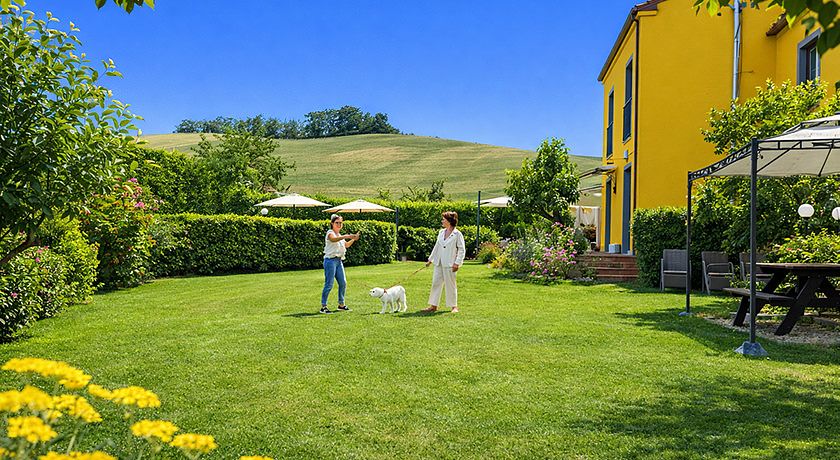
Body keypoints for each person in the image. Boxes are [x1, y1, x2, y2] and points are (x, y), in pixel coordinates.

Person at [422, 211, 466, 313]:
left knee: (450, 285)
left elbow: (462, 249)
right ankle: (433, 306)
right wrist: (430, 260)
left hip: (450, 264)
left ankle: (454, 306)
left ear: (449, 221)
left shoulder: (457, 234)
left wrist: (457, 263)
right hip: (439, 263)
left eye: (443, 219)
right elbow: (437, 247)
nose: (442, 221)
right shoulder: (441, 232)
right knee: (435, 283)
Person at [321, 214, 359, 314]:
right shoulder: (330, 233)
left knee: (343, 283)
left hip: (338, 261)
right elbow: (332, 239)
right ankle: (323, 306)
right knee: (329, 284)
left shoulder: (340, 236)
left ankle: (341, 305)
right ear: (332, 224)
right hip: (330, 261)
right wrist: (346, 236)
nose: (339, 224)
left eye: (340, 223)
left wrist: (353, 239)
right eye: (337, 222)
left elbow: (346, 245)